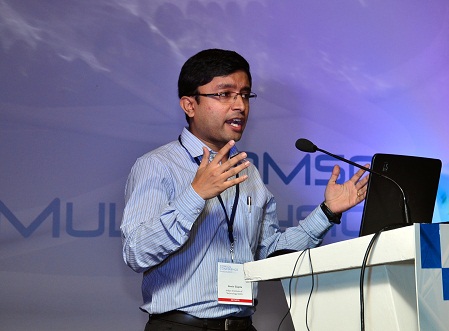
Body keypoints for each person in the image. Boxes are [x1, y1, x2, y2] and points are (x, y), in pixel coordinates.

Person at [121, 48, 369, 331]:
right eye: (224, 94)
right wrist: (195, 195)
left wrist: (326, 213)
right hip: (181, 326)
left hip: (242, 325)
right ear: (190, 105)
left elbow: (270, 253)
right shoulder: (157, 165)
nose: (240, 105)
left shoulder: (248, 172)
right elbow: (136, 252)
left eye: (245, 94)